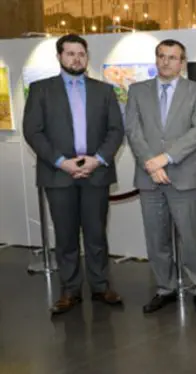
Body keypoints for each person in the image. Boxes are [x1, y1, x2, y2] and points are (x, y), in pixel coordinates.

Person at [22, 33, 124, 315]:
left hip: (96, 173)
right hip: (58, 175)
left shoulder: (104, 91)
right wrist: (60, 161)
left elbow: (116, 129)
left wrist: (98, 159)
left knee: (96, 234)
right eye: (70, 53)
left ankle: (101, 286)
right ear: (59, 56)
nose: (76, 58)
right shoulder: (41, 90)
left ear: (86, 57)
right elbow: (33, 131)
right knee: (65, 237)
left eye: (81, 54)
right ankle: (69, 291)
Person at [125, 39, 196, 314]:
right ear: (156, 59)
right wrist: (152, 164)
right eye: (162, 56)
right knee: (156, 238)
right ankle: (165, 288)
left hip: (184, 176)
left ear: (182, 63)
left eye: (173, 57)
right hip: (149, 177)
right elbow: (133, 131)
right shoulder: (137, 91)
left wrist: (166, 158)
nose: (166, 61)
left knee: (191, 238)